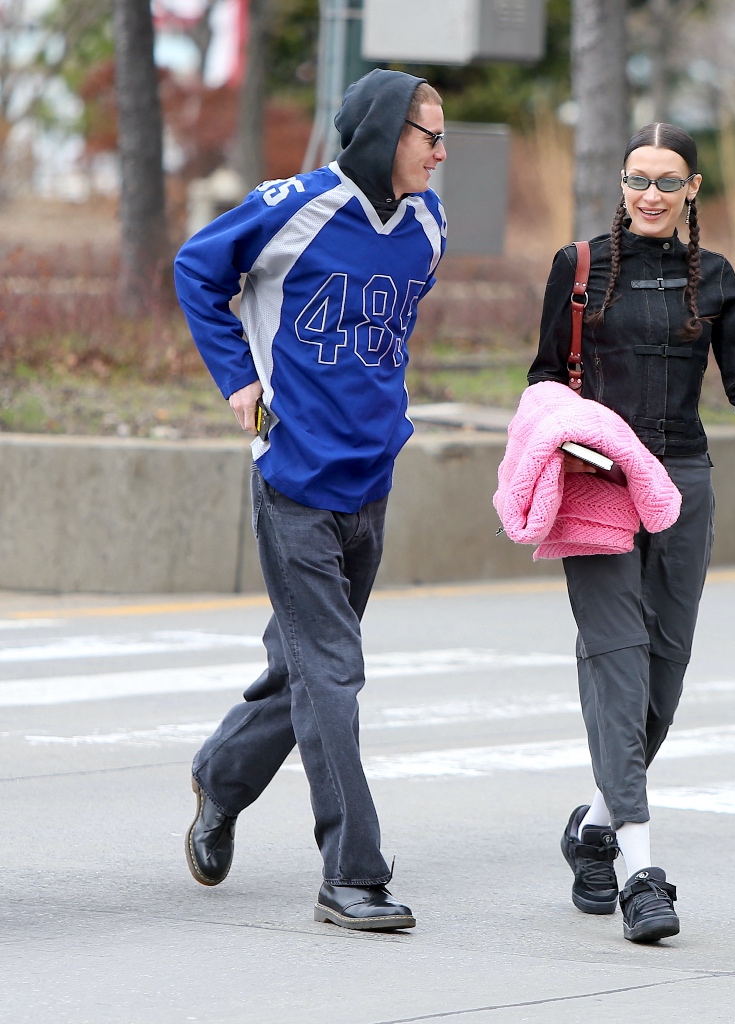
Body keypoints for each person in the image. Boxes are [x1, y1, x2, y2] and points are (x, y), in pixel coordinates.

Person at [528, 122, 735, 944]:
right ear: (619, 185)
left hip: (683, 485)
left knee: (662, 680)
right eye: (636, 180)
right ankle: (640, 873)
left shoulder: (715, 279)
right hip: (597, 484)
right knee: (618, 663)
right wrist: (573, 440)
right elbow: (545, 378)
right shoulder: (578, 268)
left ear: (692, 188)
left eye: (665, 181)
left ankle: (593, 828)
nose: (649, 195)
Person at [172, 69, 447, 932]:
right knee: (332, 674)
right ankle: (351, 875)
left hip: (373, 479)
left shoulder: (429, 225)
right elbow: (196, 269)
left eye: (444, 135)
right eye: (426, 134)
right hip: (292, 475)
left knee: (302, 668)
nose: (442, 151)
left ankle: (220, 778)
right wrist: (238, 384)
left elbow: (385, 342)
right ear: (378, 136)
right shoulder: (293, 205)